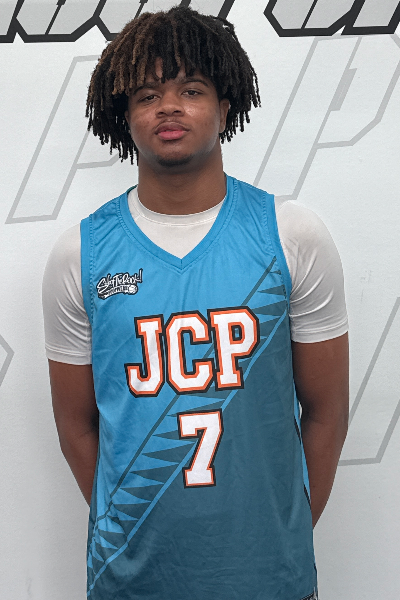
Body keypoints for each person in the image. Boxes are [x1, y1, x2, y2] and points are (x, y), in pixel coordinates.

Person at [43, 6, 349, 600]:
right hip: (132, 581)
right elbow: (76, 425)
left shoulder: (292, 235)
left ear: (225, 107)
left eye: (191, 89)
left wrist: (281, 531)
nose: (169, 107)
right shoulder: (79, 254)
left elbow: (326, 412)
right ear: (124, 117)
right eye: (147, 94)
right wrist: (128, 526)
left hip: (269, 576)